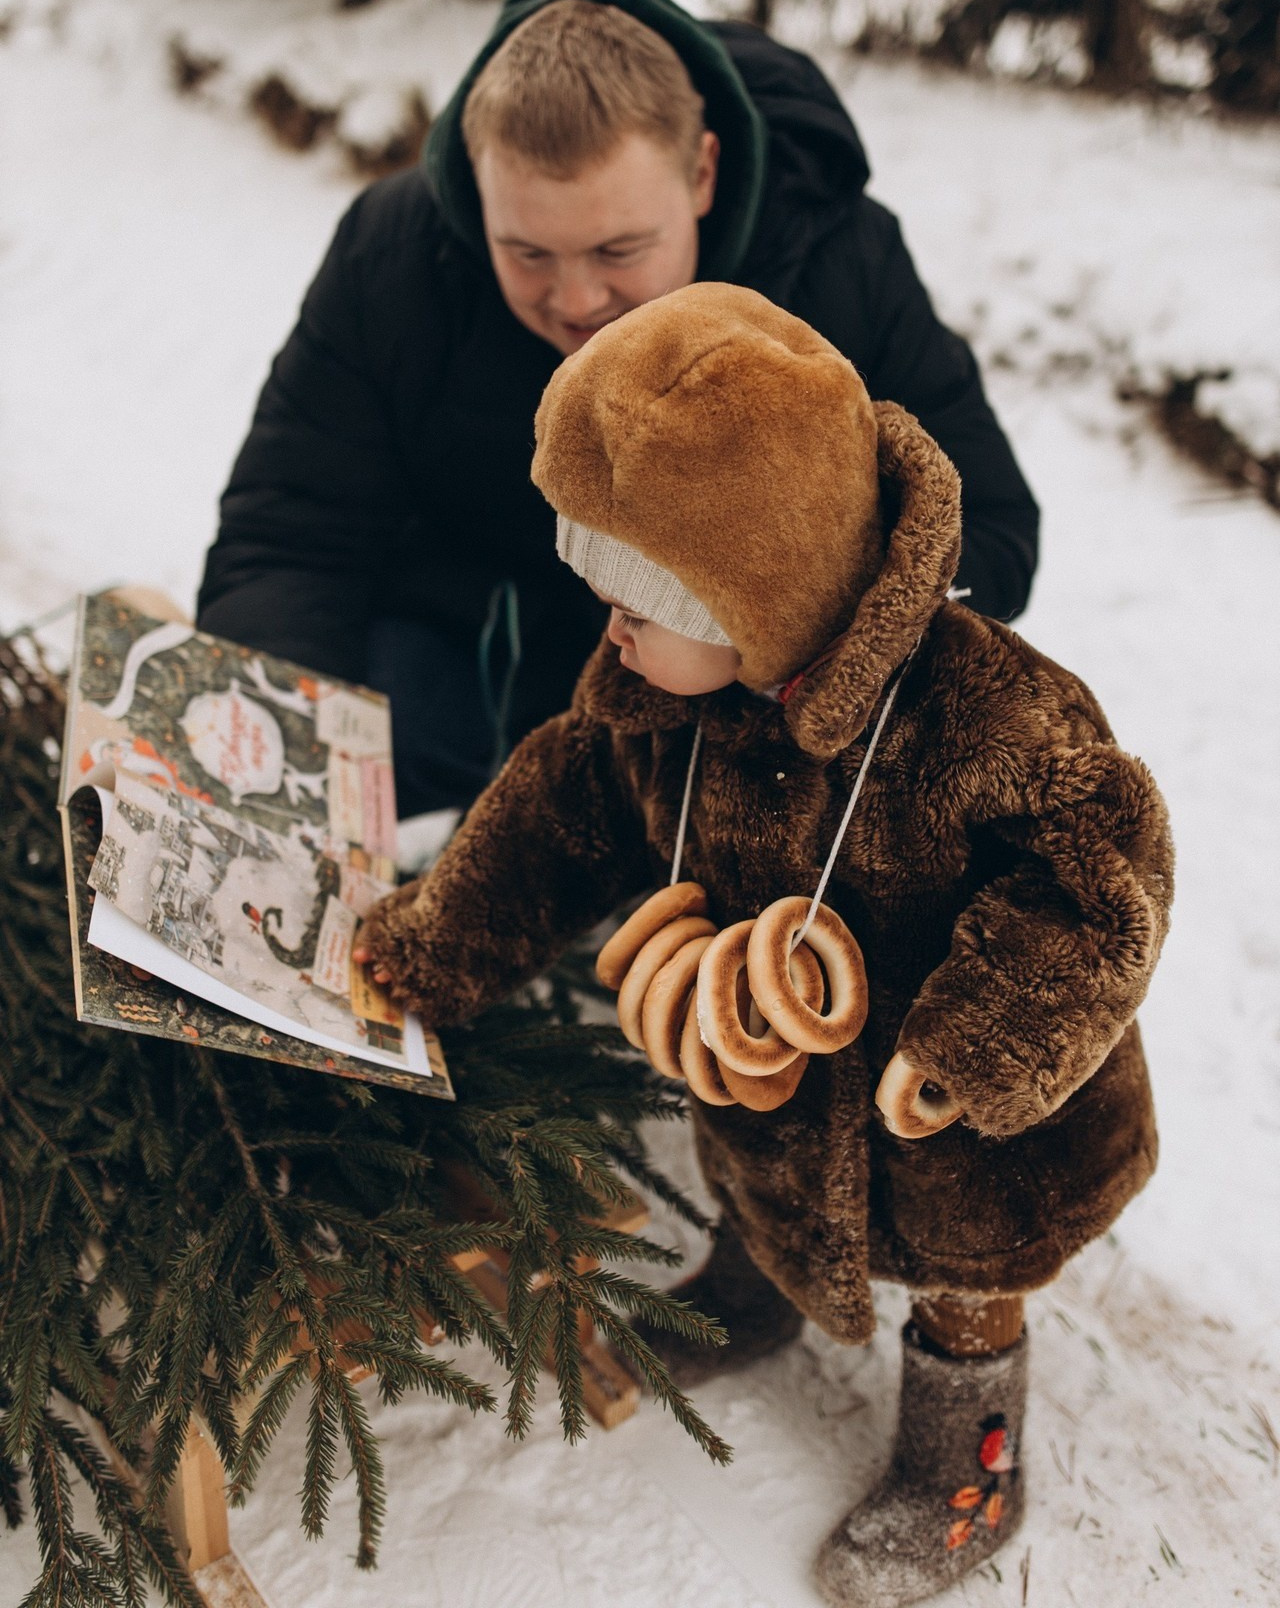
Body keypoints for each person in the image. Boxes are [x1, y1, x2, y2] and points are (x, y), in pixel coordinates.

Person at [352, 283, 1172, 1608]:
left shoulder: (987, 720)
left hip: (960, 1126)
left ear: (758, 591)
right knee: (753, 1164)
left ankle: (967, 1466)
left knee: (970, 1271)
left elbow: (1102, 871)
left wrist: (974, 1044)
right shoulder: (668, 706)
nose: (608, 626)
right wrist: (442, 934)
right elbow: (556, 818)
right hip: (771, 1082)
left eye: (639, 598)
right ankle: (755, 1289)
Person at [197, 0, 1040, 821]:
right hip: (458, 674)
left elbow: (988, 524)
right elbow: (291, 532)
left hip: (732, 726)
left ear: (703, 173)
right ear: (477, 192)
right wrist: (275, 753)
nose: (576, 300)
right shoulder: (395, 254)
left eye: (618, 251)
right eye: (526, 252)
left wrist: (786, 632)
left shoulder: (837, 263)